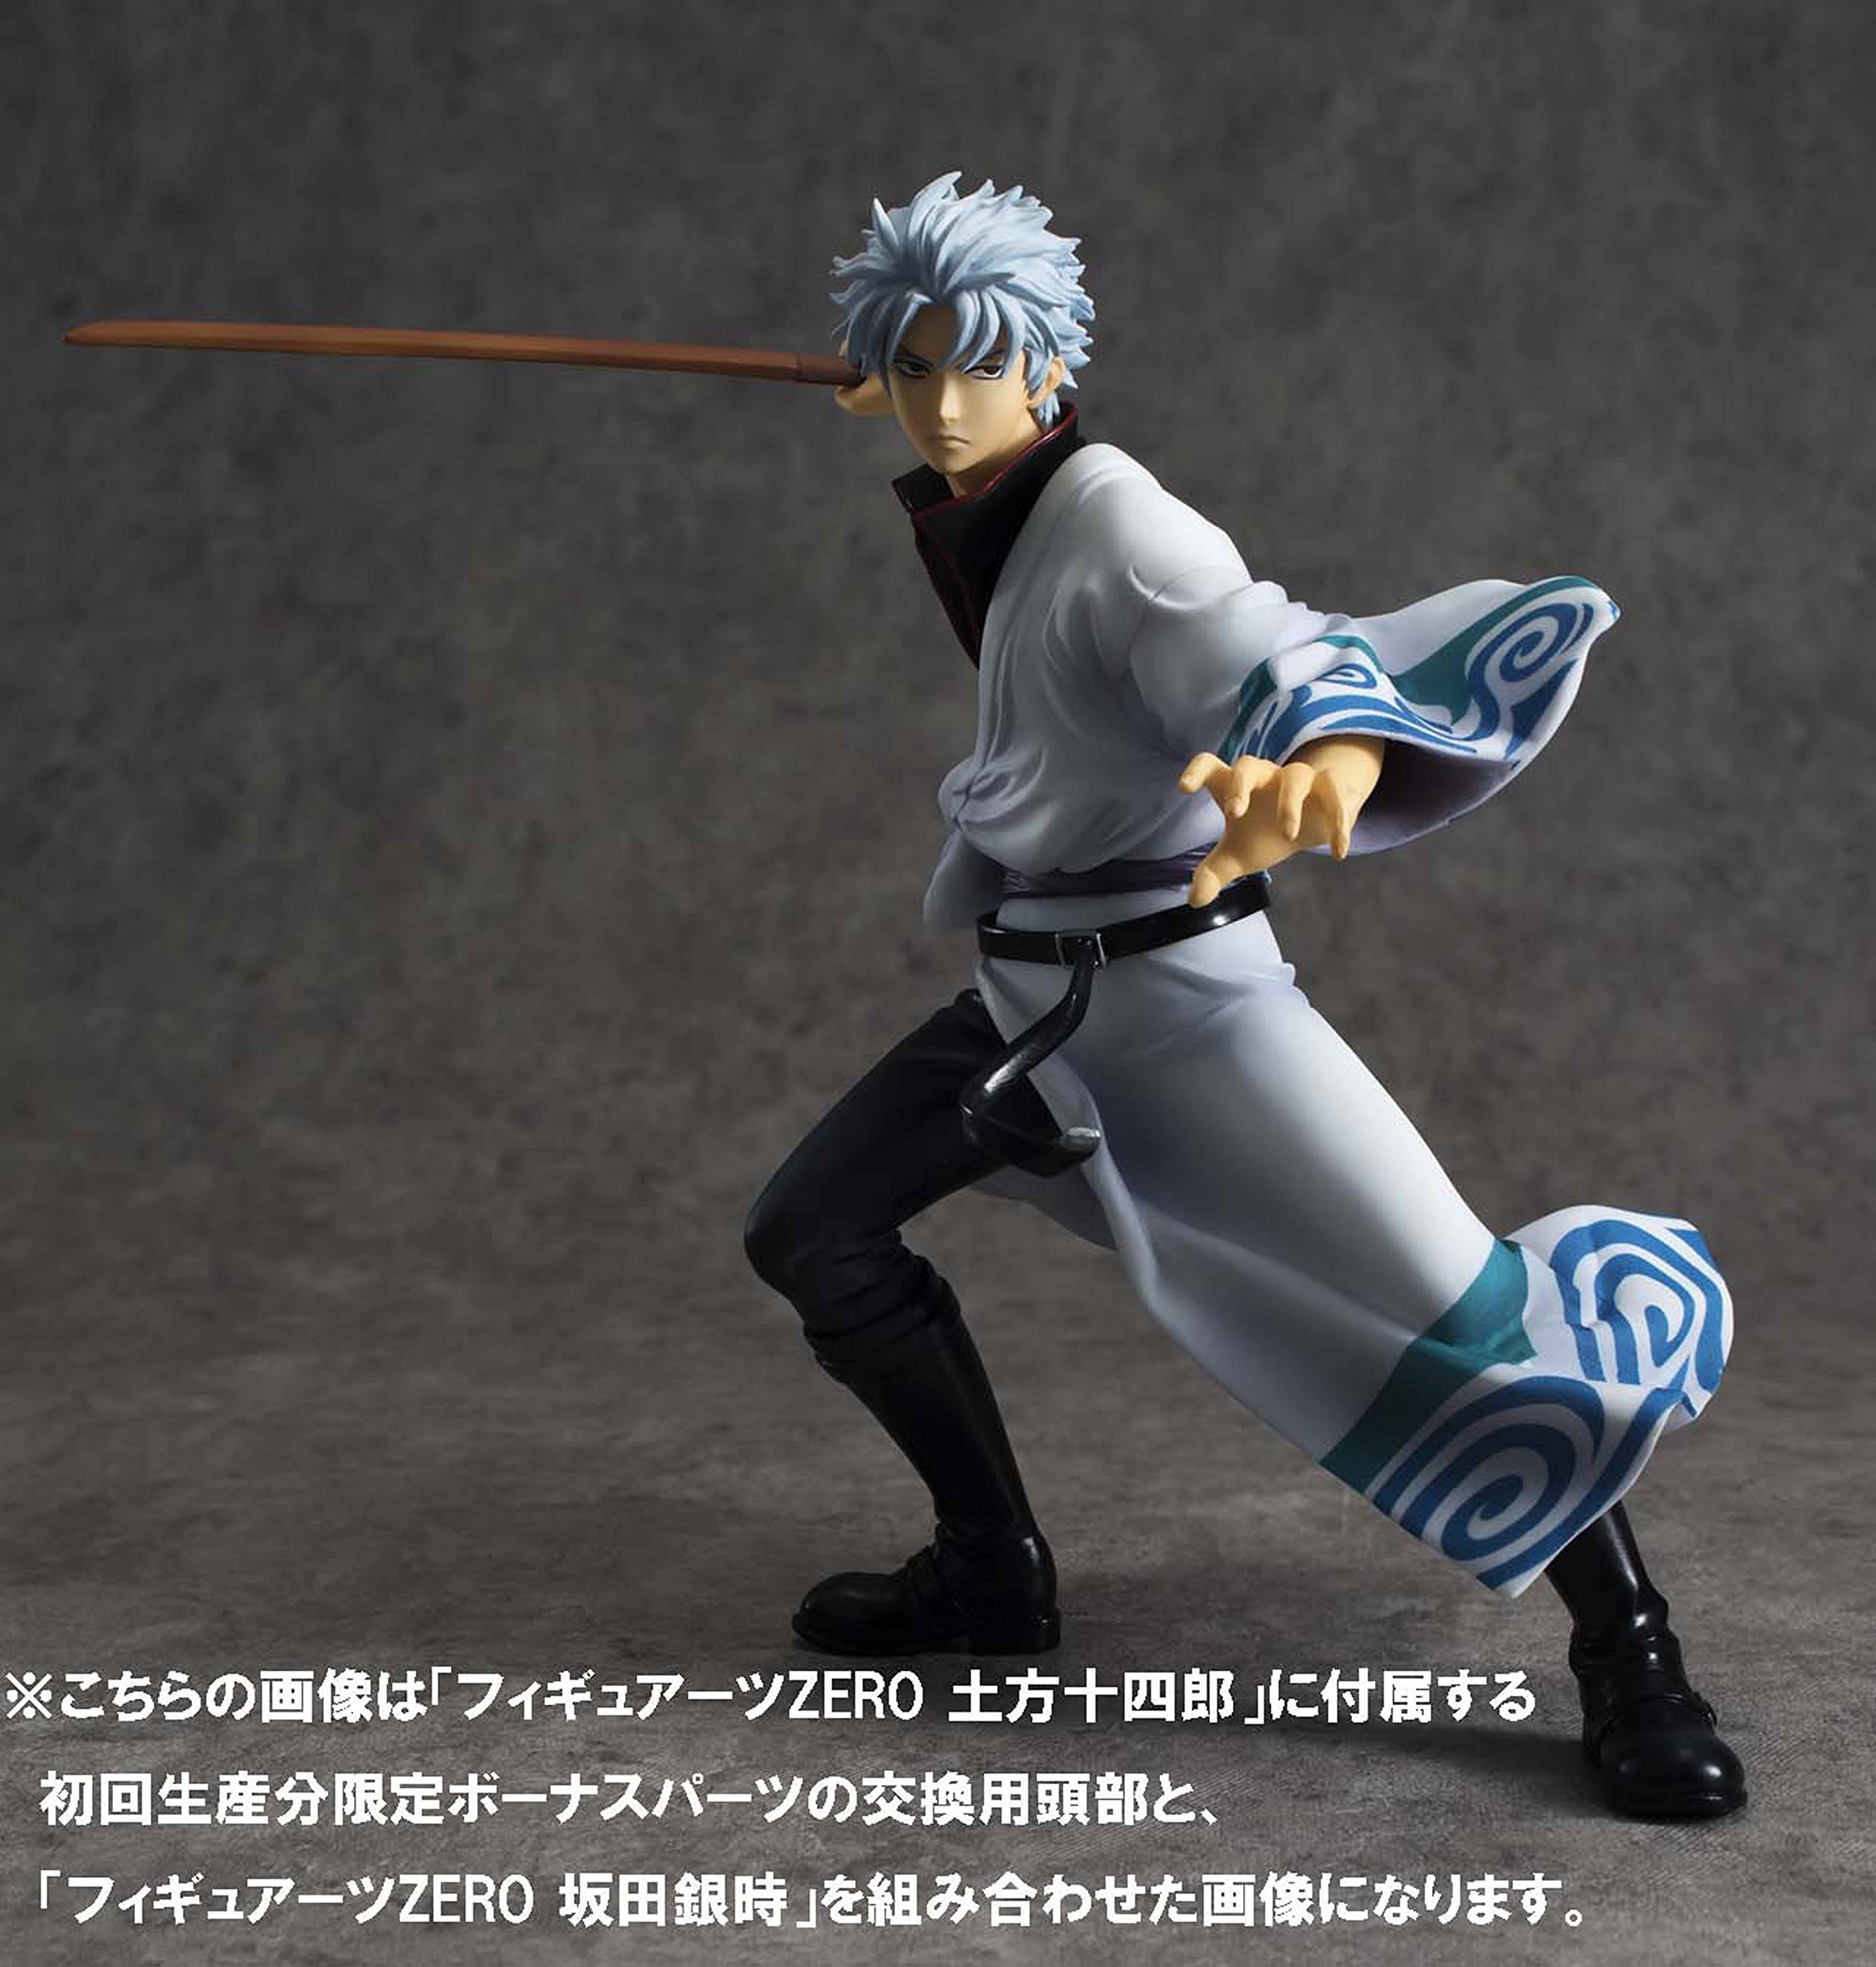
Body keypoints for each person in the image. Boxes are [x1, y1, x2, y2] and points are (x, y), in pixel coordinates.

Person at [743, 172, 1745, 1819]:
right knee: (813, 1230)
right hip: (1032, 1006)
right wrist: (911, 381)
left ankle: (1632, 1651)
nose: (938, 402)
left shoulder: (1122, 520)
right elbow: (963, 468)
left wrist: (1328, 754)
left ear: (1050, 368)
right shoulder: (988, 490)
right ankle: (990, 1570)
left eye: (975, 364)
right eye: (909, 369)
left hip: (1189, 1006)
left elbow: (1254, 639)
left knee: (1455, 1308)